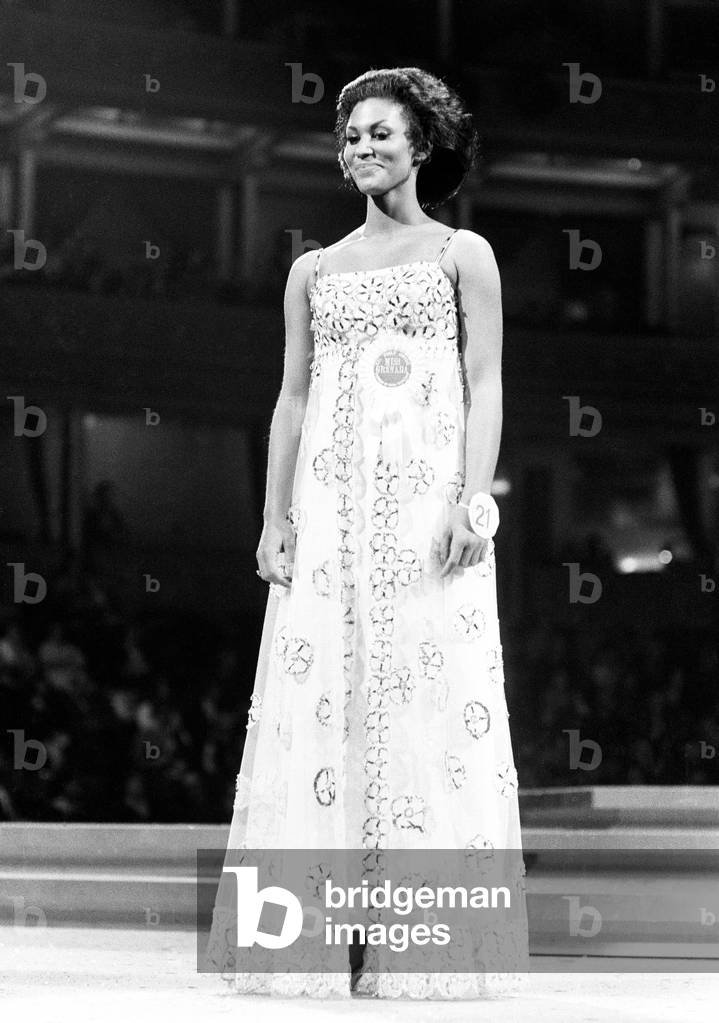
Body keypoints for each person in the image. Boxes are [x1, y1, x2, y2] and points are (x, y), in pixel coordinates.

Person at [205, 66, 529, 999]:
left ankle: (426, 941)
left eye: (380, 134)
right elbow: (290, 399)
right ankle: (304, 938)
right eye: (350, 138)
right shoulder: (313, 270)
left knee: (431, 695)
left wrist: (472, 501)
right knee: (320, 707)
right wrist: (273, 518)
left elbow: (488, 382)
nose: (363, 150)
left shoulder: (462, 254)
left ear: (421, 145)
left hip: (428, 516)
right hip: (330, 519)